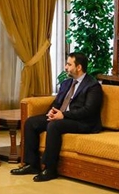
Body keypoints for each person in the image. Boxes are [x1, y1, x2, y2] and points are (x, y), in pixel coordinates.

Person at [11, 53, 103, 182]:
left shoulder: (92, 86)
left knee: (54, 125)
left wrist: (63, 115)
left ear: (79, 67)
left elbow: (89, 111)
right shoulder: (66, 83)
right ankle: (32, 164)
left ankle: (50, 169)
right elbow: (57, 102)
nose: (65, 67)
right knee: (31, 122)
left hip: (83, 122)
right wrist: (52, 111)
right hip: (63, 117)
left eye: (69, 64)